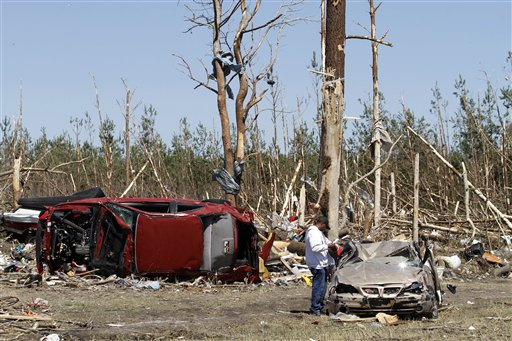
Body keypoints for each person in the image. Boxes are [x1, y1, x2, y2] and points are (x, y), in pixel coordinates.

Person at [305, 216, 337, 315]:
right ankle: (315, 307)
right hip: (316, 263)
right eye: (325, 227)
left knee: (322, 286)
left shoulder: (319, 233)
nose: (325, 229)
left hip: (321, 263)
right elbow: (315, 248)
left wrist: (332, 244)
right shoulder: (313, 232)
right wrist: (328, 246)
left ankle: (319, 306)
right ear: (322, 224)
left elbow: (326, 242)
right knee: (318, 286)